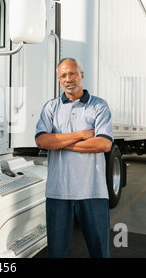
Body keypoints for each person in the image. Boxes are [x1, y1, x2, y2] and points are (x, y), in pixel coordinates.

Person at [35, 58, 113, 258]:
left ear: (82, 75)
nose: (68, 79)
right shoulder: (51, 107)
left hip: (93, 192)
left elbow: (103, 144)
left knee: (100, 253)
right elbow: (42, 141)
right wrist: (81, 134)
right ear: (59, 79)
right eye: (63, 75)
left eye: (72, 74)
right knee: (57, 254)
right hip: (58, 193)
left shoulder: (99, 106)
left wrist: (60, 142)